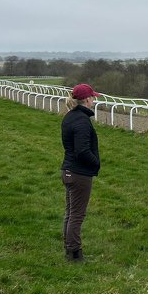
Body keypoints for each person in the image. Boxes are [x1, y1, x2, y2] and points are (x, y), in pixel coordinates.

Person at [60, 83, 101, 262]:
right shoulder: (82, 121)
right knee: (77, 215)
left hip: (69, 170)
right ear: (86, 99)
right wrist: (96, 164)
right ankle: (75, 253)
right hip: (79, 174)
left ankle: (69, 248)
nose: (94, 100)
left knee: (70, 213)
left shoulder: (70, 117)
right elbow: (82, 151)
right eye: (92, 97)